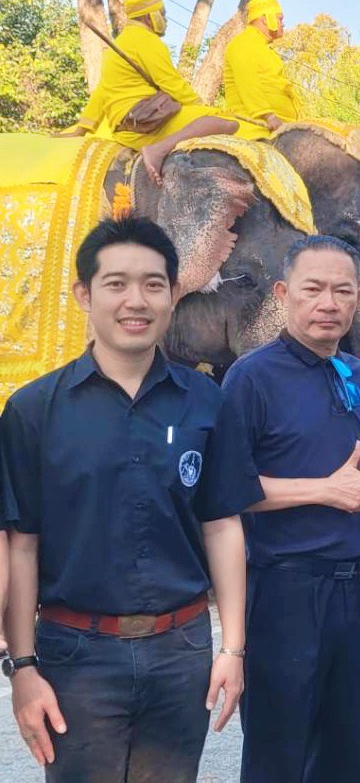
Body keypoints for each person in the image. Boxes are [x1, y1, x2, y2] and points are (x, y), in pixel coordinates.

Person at [0, 217, 258, 781]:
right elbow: (21, 546)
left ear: (172, 295)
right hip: (74, 655)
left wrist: (232, 649)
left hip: (182, 647)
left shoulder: (207, 403)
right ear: (83, 295)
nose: (135, 301)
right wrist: (21, 668)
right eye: (116, 284)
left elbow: (222, 526)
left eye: (153, 284)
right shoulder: (32, 411)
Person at [222, 235, 360, 782]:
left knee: (345, 746)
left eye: (342, 291)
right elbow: (227, 490)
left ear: (358, 298)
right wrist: (319, 490)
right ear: (283, 293)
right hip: (282, 592)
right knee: (279, 751)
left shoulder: (359, 376)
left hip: (352, 590)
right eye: (313, 289)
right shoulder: (251, 378)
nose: (329, 303)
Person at [63, 0, 243, 184]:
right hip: (146, 123)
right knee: (226, 121)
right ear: (151, 16)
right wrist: (201, 107)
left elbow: (102, 92)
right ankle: (158, 149)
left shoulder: (120, 42)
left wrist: (83, 128)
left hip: (124, 128)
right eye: (163, 14)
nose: (165, 19)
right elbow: (172, 84)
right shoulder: (146, 40)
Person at [224, 0, 302, 132]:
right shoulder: (243, 42)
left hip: (285, 124)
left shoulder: (265, 49)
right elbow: (247, 82)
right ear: (266, 19)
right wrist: (269, 116)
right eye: (280, 18)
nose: (282, 24)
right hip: (256, 124)